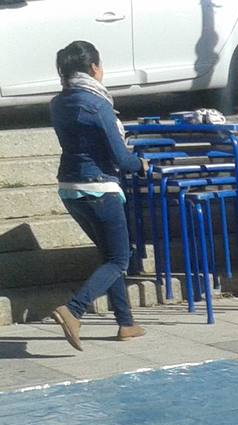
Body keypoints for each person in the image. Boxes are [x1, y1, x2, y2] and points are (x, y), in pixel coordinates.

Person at [48, 40, 145, 351]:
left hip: (69, 188)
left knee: (109, 255)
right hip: (99, 188)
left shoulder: (57, 103)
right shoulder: (98, 104)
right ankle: (73, 310)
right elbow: (121, 158)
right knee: (120, 258)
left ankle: (126, 323)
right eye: (100, 66)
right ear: (93, 69)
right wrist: (141, 163)